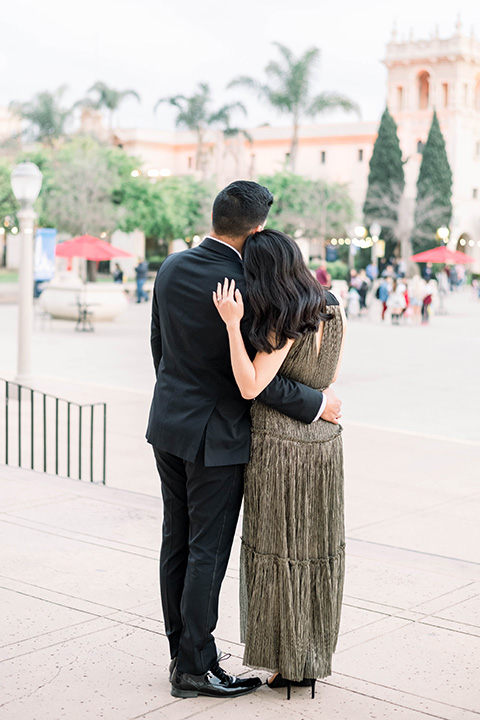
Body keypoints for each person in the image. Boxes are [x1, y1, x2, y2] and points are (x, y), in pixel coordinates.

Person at [146, 181, 342, 700]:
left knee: (176, 542)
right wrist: (317, 404)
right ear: (257, 231)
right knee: (206, 550)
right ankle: (195, 667)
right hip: (219, 435)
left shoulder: (170, 268)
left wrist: (178, 401)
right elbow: (258, 381)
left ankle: (182, 654)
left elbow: (160, 348)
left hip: (168, 424)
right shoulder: (251, 285)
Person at [213, 229, 346, 700]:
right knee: (315, 551)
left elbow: (250, 384)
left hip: (279, 448)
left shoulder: (281, 319)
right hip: (325, 446)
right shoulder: (332, 304)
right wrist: (319, 401)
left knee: (279, 553)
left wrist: (232, 324)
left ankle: (287, 663)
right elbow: (326, 379)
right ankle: (310, 658)